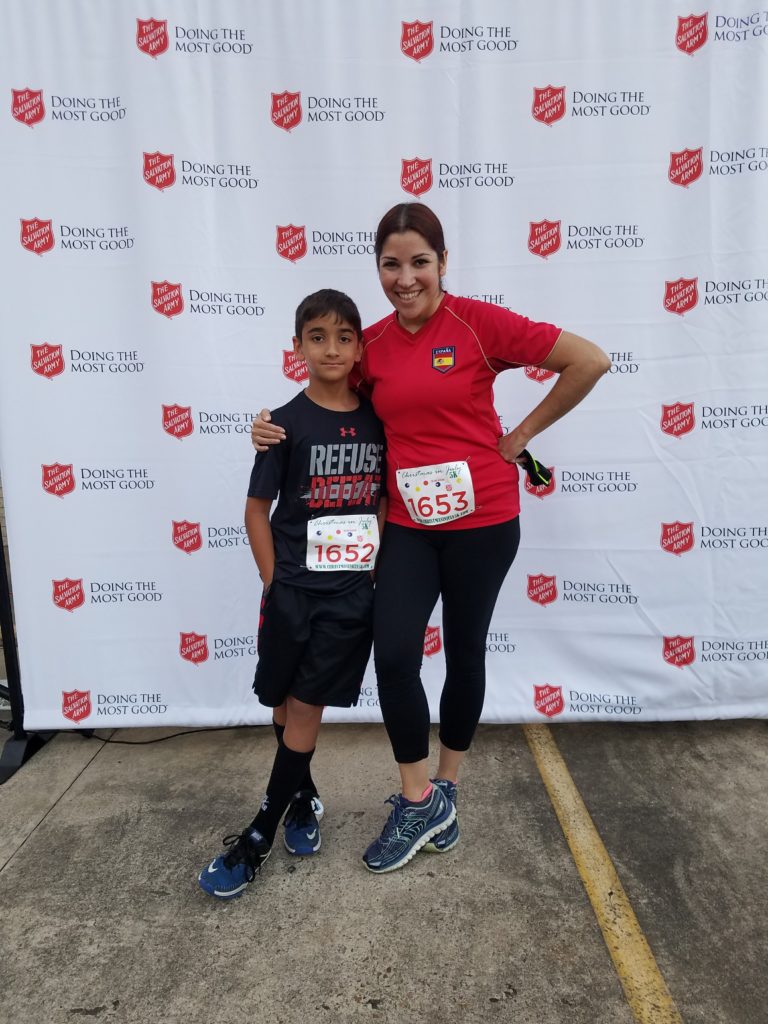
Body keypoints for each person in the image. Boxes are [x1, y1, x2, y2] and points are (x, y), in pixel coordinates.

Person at [251, 203, 611, 874]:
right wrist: (270, 427)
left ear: (444, 263)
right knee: (394, 655)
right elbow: (329, 397)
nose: (406, 277)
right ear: (379, 270)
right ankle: (416, 796)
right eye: (392, 264)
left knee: (466, 651)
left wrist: (521, 436)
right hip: (409, 527)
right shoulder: (375, 344)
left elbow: (588, 361)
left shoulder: (479, 325)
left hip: (485, 523)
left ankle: (445, 786)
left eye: (420, 262)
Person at [198, 288, 391, 899]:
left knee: (305, 707)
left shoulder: (378, 420)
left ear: (359, 346)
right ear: (297, 347)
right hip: (290, 592)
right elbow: (257, 509)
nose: (331, 348)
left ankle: (258, 835)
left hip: (347, 599)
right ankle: (303, 792)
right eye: (317, 337)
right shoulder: (281, 425)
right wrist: (272, 581)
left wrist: (373, 559)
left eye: (343, 337)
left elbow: (384, 496)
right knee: (280, 702)